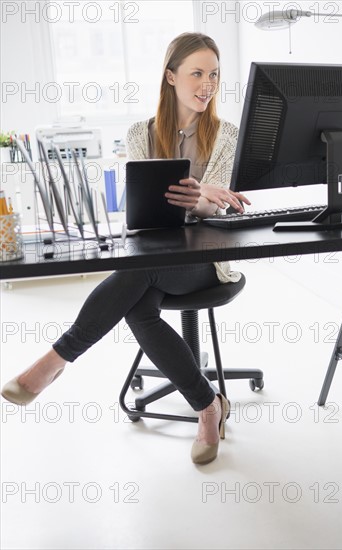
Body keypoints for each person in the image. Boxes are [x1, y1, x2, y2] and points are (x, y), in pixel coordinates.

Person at [1, 32, 250, 465]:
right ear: (171, 77)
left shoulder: (227, 134)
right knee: (138, 305)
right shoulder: (141, 133)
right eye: (197, 73)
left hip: (207, 259)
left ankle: (53, 361)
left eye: (214, 74)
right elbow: (141, 209)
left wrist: (204, 198)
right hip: (154, 253)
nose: (207, 83)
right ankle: (208, 405)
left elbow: (223, 209)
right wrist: (192, 193)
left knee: (139, 279)